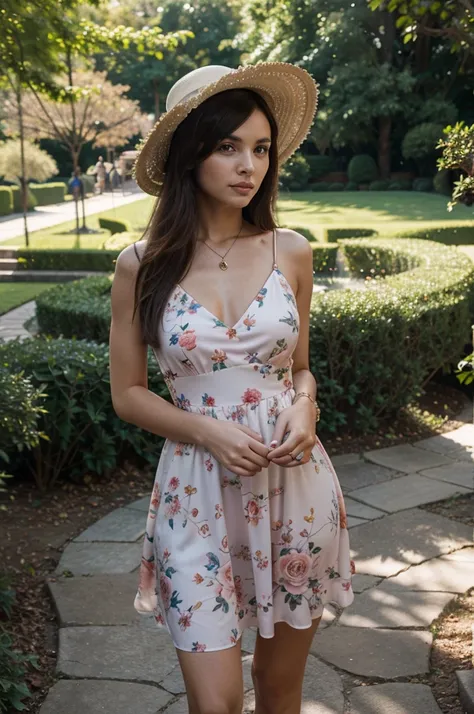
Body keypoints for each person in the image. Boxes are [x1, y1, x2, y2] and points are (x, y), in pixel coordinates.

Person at [109, 63, 355, 714]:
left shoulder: (290, 251)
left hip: (294, 489)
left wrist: (306, 406)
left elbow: (300, 368)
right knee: (216, 703)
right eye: (228, 146)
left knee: (278, 689)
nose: (250, 165)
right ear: (190, 154)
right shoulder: (141, 265)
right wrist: (208, 430)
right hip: (195, 493)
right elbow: (128, 392)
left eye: (261, 148)